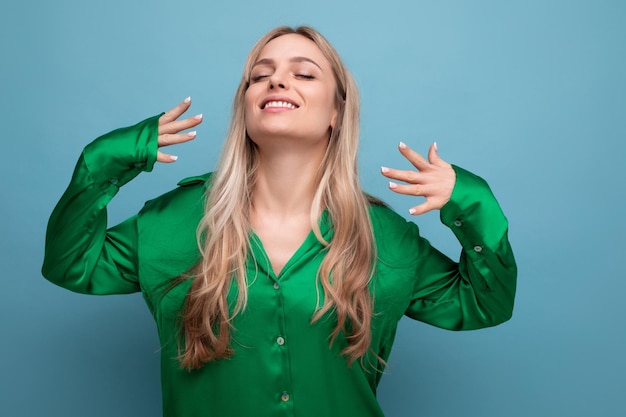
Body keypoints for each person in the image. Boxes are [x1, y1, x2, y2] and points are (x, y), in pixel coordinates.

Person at [42, 26, 516, 417]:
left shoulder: (387, 238)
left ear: (337, 111)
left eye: (304, 73)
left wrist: (470, 203)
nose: (276, 81)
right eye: (259, 75)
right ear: (245, 106)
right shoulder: (171, 221)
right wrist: (100, 163)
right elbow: (72, 265)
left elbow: (484, 305)